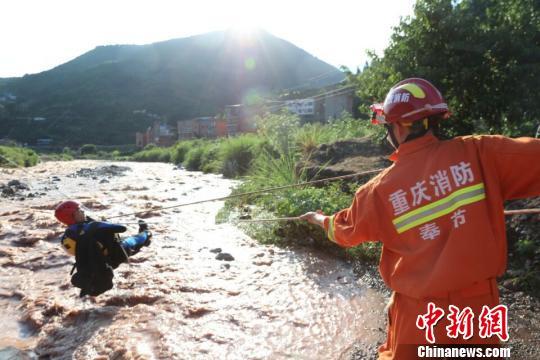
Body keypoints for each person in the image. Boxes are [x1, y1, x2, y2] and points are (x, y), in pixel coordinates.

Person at [300, 78, 540, 359]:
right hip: (478, 306)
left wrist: (317, 218)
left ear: (398, 126)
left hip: (420, 312)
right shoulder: (481, 153)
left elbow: (344, 231)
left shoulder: (378, 191)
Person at [55, 200, 152, 297]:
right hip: (117, 253)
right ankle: (146, 232)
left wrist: (94, 224)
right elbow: (122, 228)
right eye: (79, 210)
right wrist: (103, 222)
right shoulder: (93, 226)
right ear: (72, 216)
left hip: (103, 262)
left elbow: (83, 235)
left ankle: (144, 241)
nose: (83, 212)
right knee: (136, 240)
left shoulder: (67, 236)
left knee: (132, 246)